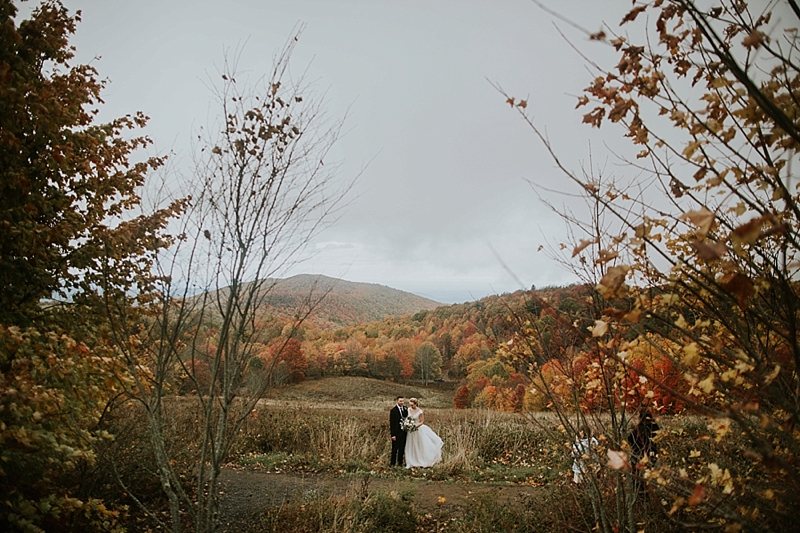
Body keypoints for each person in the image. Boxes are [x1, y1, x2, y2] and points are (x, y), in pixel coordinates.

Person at [404, 397, 443, 468]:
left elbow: (421, 421)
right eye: (410, 405)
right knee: (411, 445)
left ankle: (421, 459)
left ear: (416, 404)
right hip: (411, 431)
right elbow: (407, 418)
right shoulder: (409, 410)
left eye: (412, 405)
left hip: (418, 429)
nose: (411, 406)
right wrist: (407, 424)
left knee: (419, 445)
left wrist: (415, 426)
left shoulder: (420, 411)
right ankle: (411, 460)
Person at [627, 409, 660, 493]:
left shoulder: (639, 427)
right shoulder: (655, 426)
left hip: (639, 455)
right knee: (648, 476)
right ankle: (647, 494)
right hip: (652, 454)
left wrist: (634, 448)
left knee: (637, 477)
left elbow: (630, 439)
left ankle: (640, 494)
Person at [389, 395, 408, 467]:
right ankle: (392, 463)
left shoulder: (405, 409)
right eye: (400, 401)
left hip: (403, 433)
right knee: (394, 449)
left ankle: (400, 463)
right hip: (396, 433)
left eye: (403, 401)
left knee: (402, 449)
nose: (402, 402)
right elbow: (392, 423)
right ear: (397, 401)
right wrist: (393, 435)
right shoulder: (393, 411)